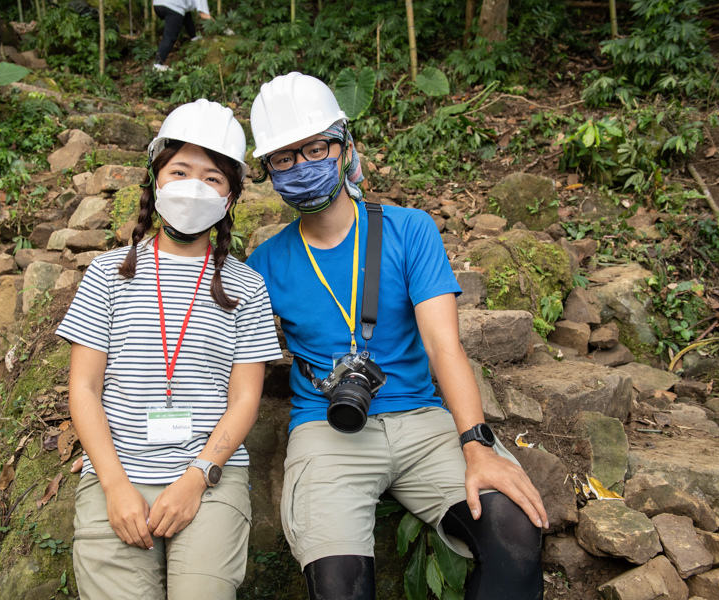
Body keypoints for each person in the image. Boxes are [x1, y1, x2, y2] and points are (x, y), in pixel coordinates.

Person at [246, 72, 548, 600]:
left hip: (423, 421)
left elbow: (442, 345)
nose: (301, 166)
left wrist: (476, 445)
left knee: (514, 534)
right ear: (268, 171)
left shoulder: (409, 229)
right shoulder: (265, 263)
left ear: (344, 148)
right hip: (326, 428)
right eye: (283, 158)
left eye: (315, 148)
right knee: (338, 585)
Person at [57, 98, 282, 600]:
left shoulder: (247, 286)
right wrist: (114, 486)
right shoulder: (108, 275)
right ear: (155, 179)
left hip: (209, 478)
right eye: (180, 170)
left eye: (212, 178)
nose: (193, 187)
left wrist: (197, 479)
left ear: (230, 197)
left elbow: (245, 399)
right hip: (117, 475)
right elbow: (84, 386)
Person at [151, 0, 212, 71]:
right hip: (173, 6)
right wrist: (222, 28)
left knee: (185, 13)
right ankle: (157, 65)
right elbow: (204, 15)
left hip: (157, 5)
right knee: (170, 37)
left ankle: (194, 37)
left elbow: (187, 13)